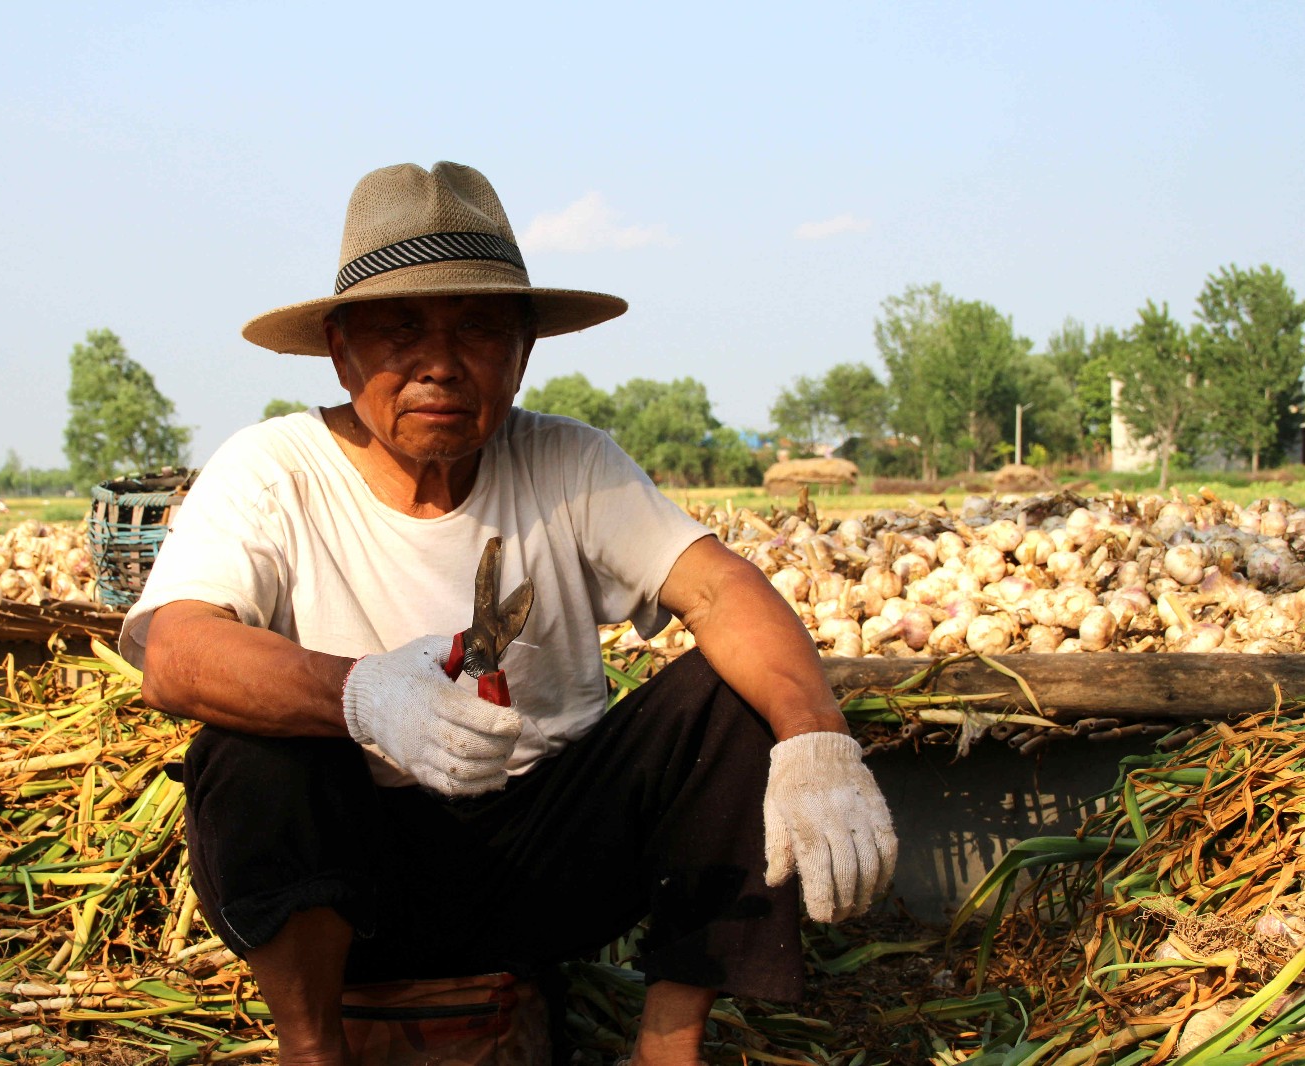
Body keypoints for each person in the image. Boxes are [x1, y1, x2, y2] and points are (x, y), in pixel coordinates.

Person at [120, 161, 897, 1066]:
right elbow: (175, 652)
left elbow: (720, 588)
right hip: (351, 877)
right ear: (341, 350)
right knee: (249, 747)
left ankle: (667, 1046)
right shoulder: (271, 471)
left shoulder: (572, 463)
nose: (441, 364)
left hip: (544, 868)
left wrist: (815, 735)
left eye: (480, 329)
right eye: (401, 329)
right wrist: (360, 694)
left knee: (727, 701)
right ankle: (313, 1046)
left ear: (524, 352)